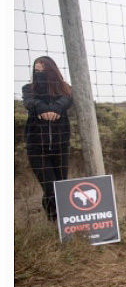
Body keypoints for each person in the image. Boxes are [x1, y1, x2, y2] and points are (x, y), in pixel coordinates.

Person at [22, 56, 73, 221]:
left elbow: (66, 100)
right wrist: (42, 107)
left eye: (43, 71)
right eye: (36, 71)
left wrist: (56, 108)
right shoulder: (28, 89)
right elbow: (30, 101)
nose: (39, 74)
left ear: (52, 71)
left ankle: (58, 224)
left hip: (60, 147)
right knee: (50, 188)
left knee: (60, 187)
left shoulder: (65, 89)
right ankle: (54, 219)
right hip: (37, 149)